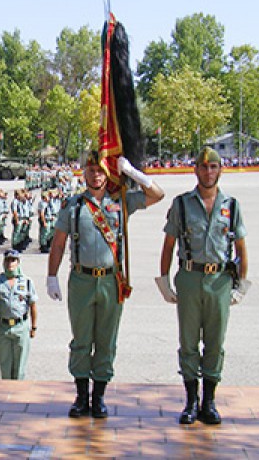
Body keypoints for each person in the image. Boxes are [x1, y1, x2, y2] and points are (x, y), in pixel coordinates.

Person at [47, 152, 164, 419]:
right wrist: (51, 275)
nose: (95, 175)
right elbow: (58, 242)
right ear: (84, 173)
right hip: (81, 280)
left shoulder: (121, 201)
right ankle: (81, 397)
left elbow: (157, 194)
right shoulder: (73, 205)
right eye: (91, 171)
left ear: (107, 173)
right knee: (81, 340)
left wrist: (132, 171)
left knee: (106, 340)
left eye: (100, 171)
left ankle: (98, 396)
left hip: (111, 280)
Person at [157, 147, 250, 425]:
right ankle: (190, 401)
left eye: (214, 167)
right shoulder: (182, 204)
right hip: (189, 277)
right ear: (195, 169)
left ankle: (209, 401)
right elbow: (169, 244)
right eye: (204, 167)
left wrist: (241, 287)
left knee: (215, 342)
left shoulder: (231, 205)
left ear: (220, 170)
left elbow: (242, 248)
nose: (208, 172)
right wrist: (163, 280)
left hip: (220, 280)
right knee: (188, 341)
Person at [0, 249, 37, 380]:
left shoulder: (26, 282)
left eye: (13, 260)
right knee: (5, 368)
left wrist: (33, 327)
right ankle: (5, 396)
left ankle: (17, 397)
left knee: (20, 369)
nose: (10, 263)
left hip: (21, 326)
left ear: (18, 263)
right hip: (3, 327)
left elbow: (33, 305)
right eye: (7, 260)